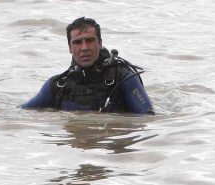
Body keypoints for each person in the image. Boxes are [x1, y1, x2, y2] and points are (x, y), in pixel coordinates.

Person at [22, 17, 153, 114]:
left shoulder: (122, 77)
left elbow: (147, 118)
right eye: (78, 42)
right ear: (70, 48)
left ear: (100, 43)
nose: (84, 47)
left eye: (90, 40)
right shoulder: (57, 86)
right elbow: (22, 113)